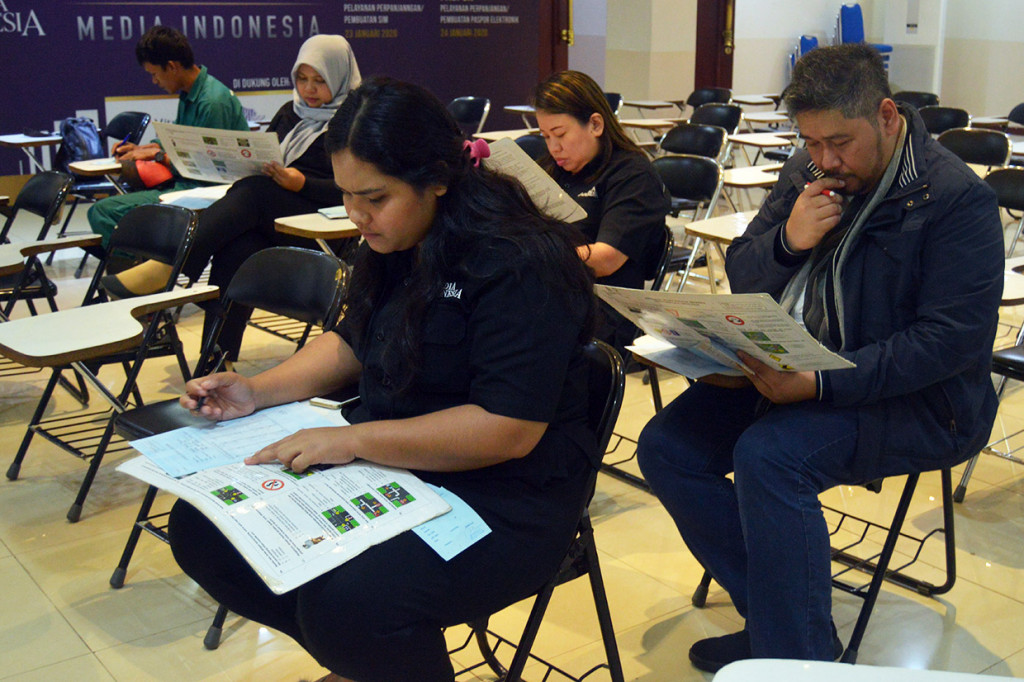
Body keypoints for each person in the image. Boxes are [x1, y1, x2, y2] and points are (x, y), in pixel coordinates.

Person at [166, 76, 598, 682]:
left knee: (350, 601)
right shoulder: (396, 239)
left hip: (506, 496)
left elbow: (507, 429)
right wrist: (259, 390)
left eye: (374, 197)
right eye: (346, 195)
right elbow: (353, 342)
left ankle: (365, 653)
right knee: (204, 530)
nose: (356, 215)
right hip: (398, 462)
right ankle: (370, 662)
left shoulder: (518, 259)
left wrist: (350, 441)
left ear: (438, 180)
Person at [636, 43, 1003, 672]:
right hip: (799, 366)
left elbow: (949, 341)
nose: (826, 161)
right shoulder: (807, 174)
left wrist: (820, 387)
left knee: (770, 456)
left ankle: (799, 655)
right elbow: (746, 274)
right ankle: (778, 619)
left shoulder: (954, 200)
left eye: (840, 142)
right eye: (811, 143)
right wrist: (787, 240)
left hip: (924, 402)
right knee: (667, 448)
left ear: (887, 116)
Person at [102, 34, 362, 360]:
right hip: (277, 217)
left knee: (253, 193)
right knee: (237, 248)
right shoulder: (290, 113)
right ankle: (218, 359)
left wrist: (302, 184)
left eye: (319, 80)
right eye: (302, 78)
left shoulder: (354, 122)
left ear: (339, 77)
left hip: (323, 226)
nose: (308, 88)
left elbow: (355, 190)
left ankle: (171, 264)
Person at [533, 70, 669, 360]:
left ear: (595, 124)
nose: (553, 147)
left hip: (602, 311)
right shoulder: (551, 169)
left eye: (560, 134)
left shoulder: (632, 174)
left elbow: (606, 259)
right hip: (548, 293)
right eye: (545, 137)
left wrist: (536, 254)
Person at [87, 25, 250, 248]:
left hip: (204, 191)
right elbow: (176, 141)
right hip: (186, 184)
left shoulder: (212, 102)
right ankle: (144, 264)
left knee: (103, 212)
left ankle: (144, 273)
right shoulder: (190, 93)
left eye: (154, 74)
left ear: (171, 67)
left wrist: (158, 157)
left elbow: (209, 170)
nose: (154, 81)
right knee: (105, 211)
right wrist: (142, 149)